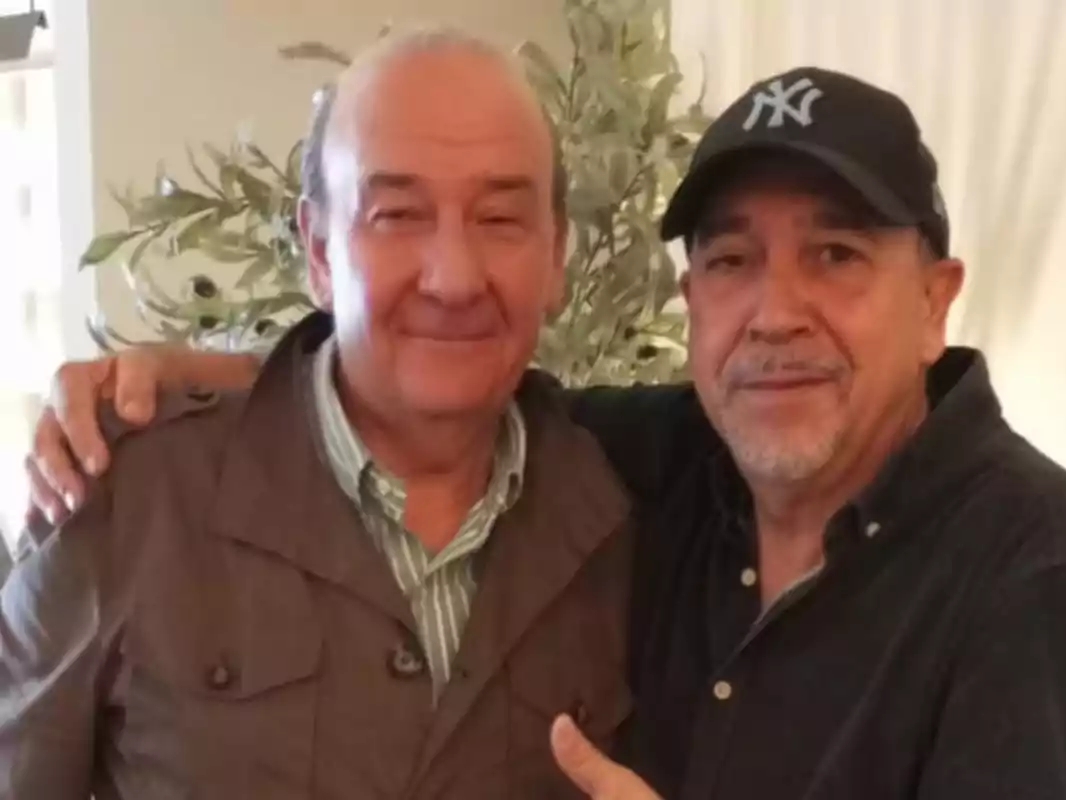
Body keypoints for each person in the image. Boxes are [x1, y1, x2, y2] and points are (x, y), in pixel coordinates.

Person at [21, 65, 1066, 800]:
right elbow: (440, 378)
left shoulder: (1046, 589)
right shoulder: (668, 469)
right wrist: (189, 379)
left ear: (935, 299)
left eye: (836, 253)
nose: (776, 311)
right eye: (731, 260)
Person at [0, 29, 637, 799]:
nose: (454, 277)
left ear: (556, 254)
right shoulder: (125, 501)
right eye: (397, 215)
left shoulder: (623, 504)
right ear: (320, 251)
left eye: (500, 219)